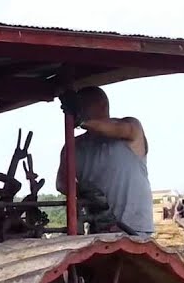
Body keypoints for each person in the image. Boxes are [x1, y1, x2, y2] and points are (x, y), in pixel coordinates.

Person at [56, 86, 154, 237]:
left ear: (102, 105)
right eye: (77, 106)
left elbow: (117, 129)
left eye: (83, 105)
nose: (79, 109)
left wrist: (82, 120)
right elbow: (62, 183)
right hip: (99, 230)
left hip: (135, 230)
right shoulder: (73, 146)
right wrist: (84, 192)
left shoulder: (131, 128)